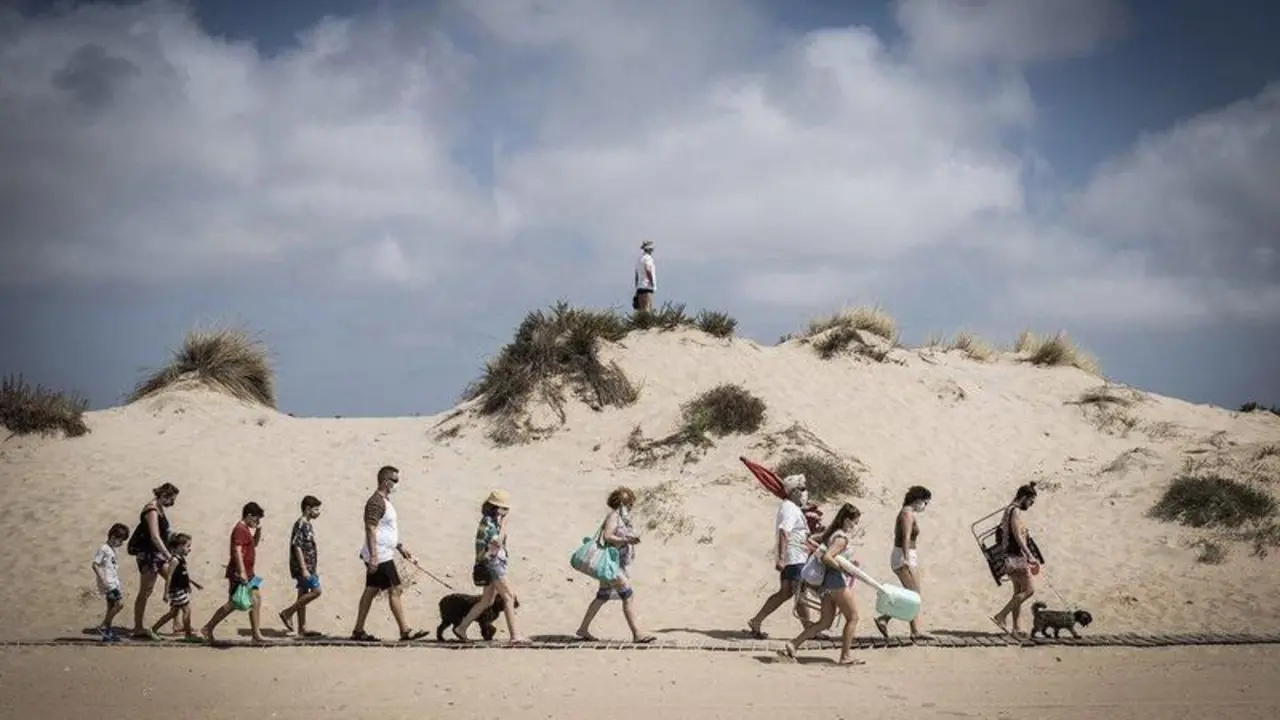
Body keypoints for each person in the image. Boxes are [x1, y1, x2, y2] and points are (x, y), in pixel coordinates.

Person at [777, 503, 866, 666]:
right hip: (836, 582)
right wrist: (843, 568)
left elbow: (811, 540)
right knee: (853, 617)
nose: (855, 526)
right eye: (854, 522)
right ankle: (845, 656)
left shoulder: (831, 533)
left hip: (825, 585)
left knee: (825, 622)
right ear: (847, 520)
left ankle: (793, 644)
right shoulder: (841, 538)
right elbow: (827, 557)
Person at [350, 466, 428, 642]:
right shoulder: (375, 502)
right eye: (395, 480)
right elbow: (370, 528)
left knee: (371, 590)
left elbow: (386, 529)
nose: (397, 484)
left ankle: (358, 630)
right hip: (381, 555)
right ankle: (405, 630)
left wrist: (400, 546)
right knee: (395, 590)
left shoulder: (386, 501)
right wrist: (374, 557)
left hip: (384, 552)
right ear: (386, 482)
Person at [574, 486, 656, 644]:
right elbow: (608, 536)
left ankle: (583, 628)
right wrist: (627, 540)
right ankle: (637, 633)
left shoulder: (620, 518)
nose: (632, 506)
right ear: (624, 503)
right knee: (628, 595)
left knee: (602, 596)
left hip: (614, 564)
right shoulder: (614, 517)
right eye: (630, 503)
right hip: (612, 565)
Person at [453, 490, 527, 645]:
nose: (507, 512)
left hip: (492, 562)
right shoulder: (488, 522)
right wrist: (504, 526)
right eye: (504, 508)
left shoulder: (493, 521)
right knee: (508, 597)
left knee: (487, 600)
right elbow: (496, 543)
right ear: (495, 507)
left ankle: (461, 627)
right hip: (492, 563)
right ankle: (515, 635)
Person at [747, 474, 815, 639]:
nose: (805, 492)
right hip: (794, 557)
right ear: (794, 492)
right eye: (802, 488)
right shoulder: (790, 508)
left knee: (786, 592)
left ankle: (756, 620)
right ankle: (810, 630)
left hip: (795, 556)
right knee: (800, 593)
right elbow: (785, 532)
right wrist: (782, 558)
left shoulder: (791, 508)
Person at [200, 502, 267, 644]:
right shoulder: (240, 529)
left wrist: (258, 531)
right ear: (249, 516)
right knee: (233, 603)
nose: (257, 522)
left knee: (256, 599)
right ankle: (208, 628)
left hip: (250, 573)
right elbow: (237, 551)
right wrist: (242, 571)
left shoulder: (246, 529)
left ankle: (256, 634)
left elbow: (253, 544)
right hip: (239, 573)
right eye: (256, 519)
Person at [875, 486, 935, 642]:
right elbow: (906, 538)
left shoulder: (909, 513)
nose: (925, 507)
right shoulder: (907, 514)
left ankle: (912, 629)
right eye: (925, 503)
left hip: (907, 554)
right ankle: (885, 618)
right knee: (914, 595)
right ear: (917, 500)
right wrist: (906, 558)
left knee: (912, 595)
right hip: (903, 555)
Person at [126, 482, 179, 639]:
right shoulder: (152, 509)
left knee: (175, 582)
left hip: (159, 555)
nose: (172, 503)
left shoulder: (159, 508)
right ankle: (138, 627)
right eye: (172, 500)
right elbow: (155, 536)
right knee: (146, 591)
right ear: (164, 496)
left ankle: (177, 625)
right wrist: (168, 555)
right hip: (149, 556)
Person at [992, 482, 1040, 637]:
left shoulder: (1008, 510)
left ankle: (1016, 628)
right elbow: (1018, 536)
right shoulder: (1015, 511)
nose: (1031, 505)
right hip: (1016, 556)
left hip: (1008, 556)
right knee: (1029, 590)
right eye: (1031, 501)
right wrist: (1030, 555)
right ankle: (1001, 615)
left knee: (1018, 592)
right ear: (1024, 497)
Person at [279, 495, 323, 637]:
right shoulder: (301, 524)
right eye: (316, 509)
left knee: (303, 593)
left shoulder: (308, 524)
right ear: (308, 509)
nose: (318, 512)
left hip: (310, 566)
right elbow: (297, 546)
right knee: (317, 591)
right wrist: (304, 568)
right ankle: (288, 613)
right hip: (303, 567)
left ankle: (302, 628)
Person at [151, 533, 201, 640]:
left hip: (180, 590)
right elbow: (169, 577)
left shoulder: (181, 559)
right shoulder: (174, 560)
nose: (189, 549)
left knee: (172, 613)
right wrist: (165, 593)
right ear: (179, 547)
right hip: (176, 591)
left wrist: (192, 584)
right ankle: (188, 635)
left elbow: (183, 574)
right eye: (188, 546)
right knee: (187, 610)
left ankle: (153, 629)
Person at [92, 523, 130, 642]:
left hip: (113, 582)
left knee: (111, 607)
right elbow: (95, 565)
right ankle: (103, 625)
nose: (121, 543)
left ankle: (107, 634)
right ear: (113, 537)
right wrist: (103, 579)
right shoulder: (104, 549)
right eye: (120, 540)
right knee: (119, 604)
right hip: (108, 584)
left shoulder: (111, 550)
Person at [633, 240, 656, 311]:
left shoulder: (639, 259)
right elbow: (648, 269)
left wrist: (636, 287)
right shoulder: (648, 258)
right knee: (647, 309)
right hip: (647, 287)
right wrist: (652, 283)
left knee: (641, 310)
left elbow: (636, 275)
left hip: (640, 287)